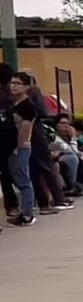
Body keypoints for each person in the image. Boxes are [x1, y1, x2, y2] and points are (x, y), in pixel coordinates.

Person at [7, 72, 37, 226]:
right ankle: (24, 209)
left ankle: (27, 214)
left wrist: (18, 147)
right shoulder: (15, 104)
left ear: (26, 86)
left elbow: (25, 129)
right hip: (13, 147)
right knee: (18, 179)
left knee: (23, 180)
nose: (13, 86)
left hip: (21, 148)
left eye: (17, 83)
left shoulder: (27, 106)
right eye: (12, 83)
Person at [0, 62, 19, 221]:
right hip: (12, 137)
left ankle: (12, 204)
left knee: (6, 173)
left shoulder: (6, 94)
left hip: (6, 138)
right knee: (9, 172)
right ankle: (13, 204)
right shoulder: (11, 95)